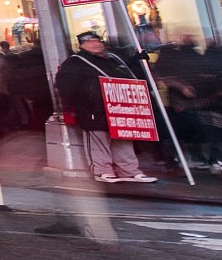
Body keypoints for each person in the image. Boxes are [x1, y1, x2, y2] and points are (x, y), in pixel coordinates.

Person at [54, 31, 156, 184]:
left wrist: (138, 63)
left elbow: (130, 78)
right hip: (92, 109)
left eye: (97, 41)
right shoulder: (75, 62)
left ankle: (129, 171)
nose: (95, 44)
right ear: (81, 45)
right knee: (99, 140)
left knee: (123, 140)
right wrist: (73, 105)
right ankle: (102, 171)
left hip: (118, 108)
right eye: (89, 42)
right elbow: (65, 87)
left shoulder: (112, 59)